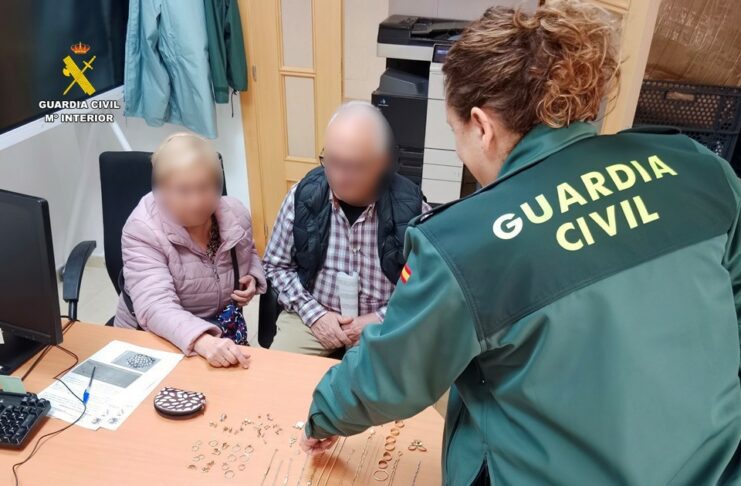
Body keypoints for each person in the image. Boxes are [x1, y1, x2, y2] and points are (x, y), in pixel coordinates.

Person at [299, 2, 741, 485]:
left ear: (482, 126)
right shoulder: (698, 166)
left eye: (455, 132)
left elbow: (391, 374)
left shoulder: (464, 245)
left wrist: (322, 414)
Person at [263, 101, 430, 356]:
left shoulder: (413, 211)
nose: (339, 176)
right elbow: (275, 266)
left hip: (387, 323)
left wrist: (379, 319)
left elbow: (427, 287)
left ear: (383, 163)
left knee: (397, 380)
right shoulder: (303, 197)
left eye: (353, 167)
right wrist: (315, 315)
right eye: (331, 161)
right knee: (278, 375)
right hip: (312, 316)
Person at [114, 132, 266, 368]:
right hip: (157, 336)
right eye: (183, 190)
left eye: (205, 187)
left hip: (221, 331)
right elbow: (156, 306)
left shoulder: (236, 214)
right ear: (161, 190)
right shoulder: (142, 229)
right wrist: (202, 341)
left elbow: (250, 252)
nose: (196, 202)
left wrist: (252, 277)